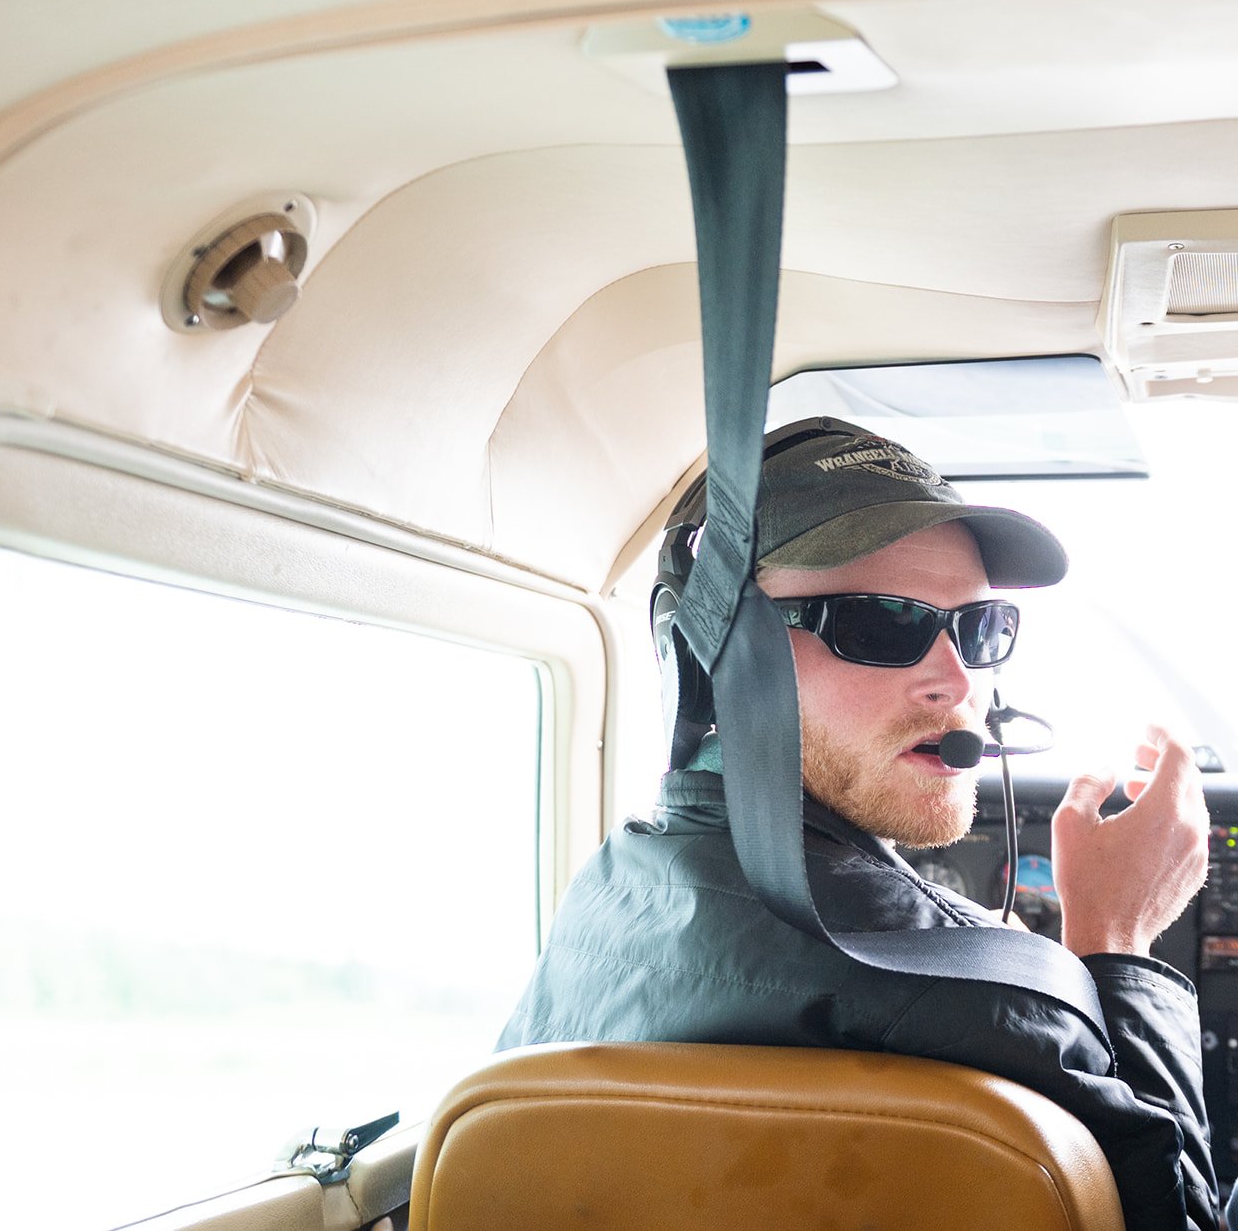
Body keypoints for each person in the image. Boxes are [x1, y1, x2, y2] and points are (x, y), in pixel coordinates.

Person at [496, 417, 1219, 1231]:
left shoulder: (605, 892)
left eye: (980, 628)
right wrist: (1116, 938)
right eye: (881, 622)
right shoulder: (992, 1009)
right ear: (710, 656)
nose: (955, 681)